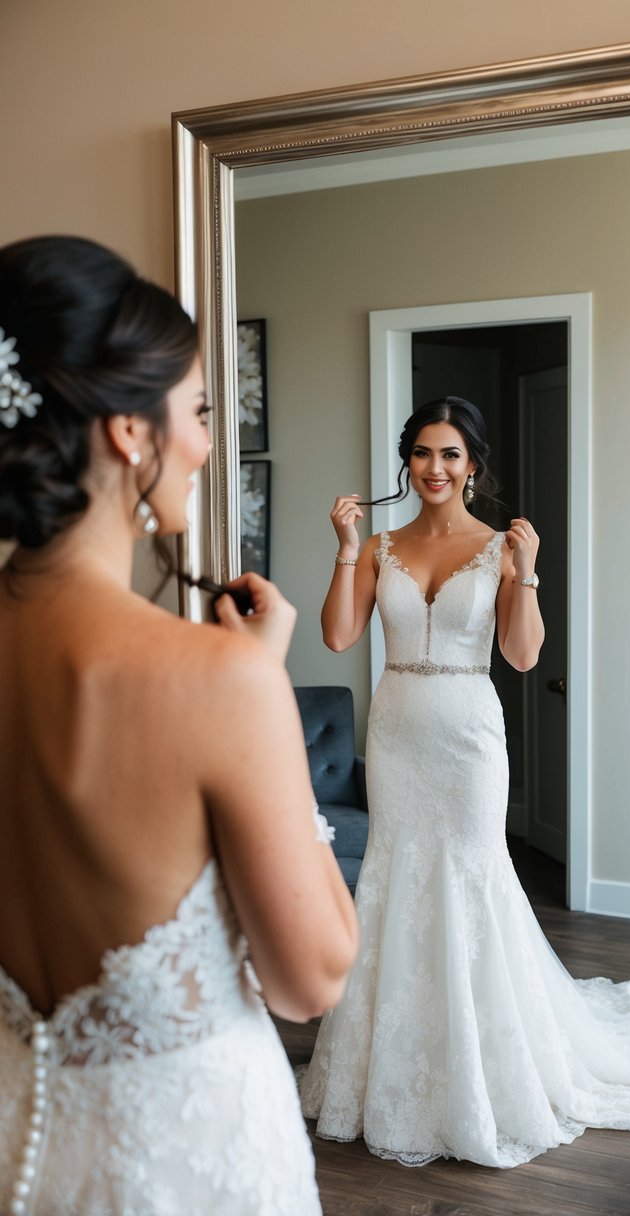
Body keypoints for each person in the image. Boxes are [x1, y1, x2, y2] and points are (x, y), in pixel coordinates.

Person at [0, 235, 358, 1215]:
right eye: (199, 411)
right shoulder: (217, 681)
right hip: (190, 1167)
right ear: (128, 431)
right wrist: (258, 688)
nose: (206, 443)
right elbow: (310, 978)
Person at [298, 396, 630, 1168]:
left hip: (469, 734)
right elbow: (338, 636)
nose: (435, 468)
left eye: (451, 455)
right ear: (407, 461)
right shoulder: (379, 548)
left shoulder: (502, 547)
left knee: (472, 878)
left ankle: (484, 1060)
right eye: (423, 453)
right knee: (395, 877)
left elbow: (524, 655)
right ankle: (393, 1060)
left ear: (473, 465)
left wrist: (528, 574)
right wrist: (343, 545)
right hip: (398, 731)